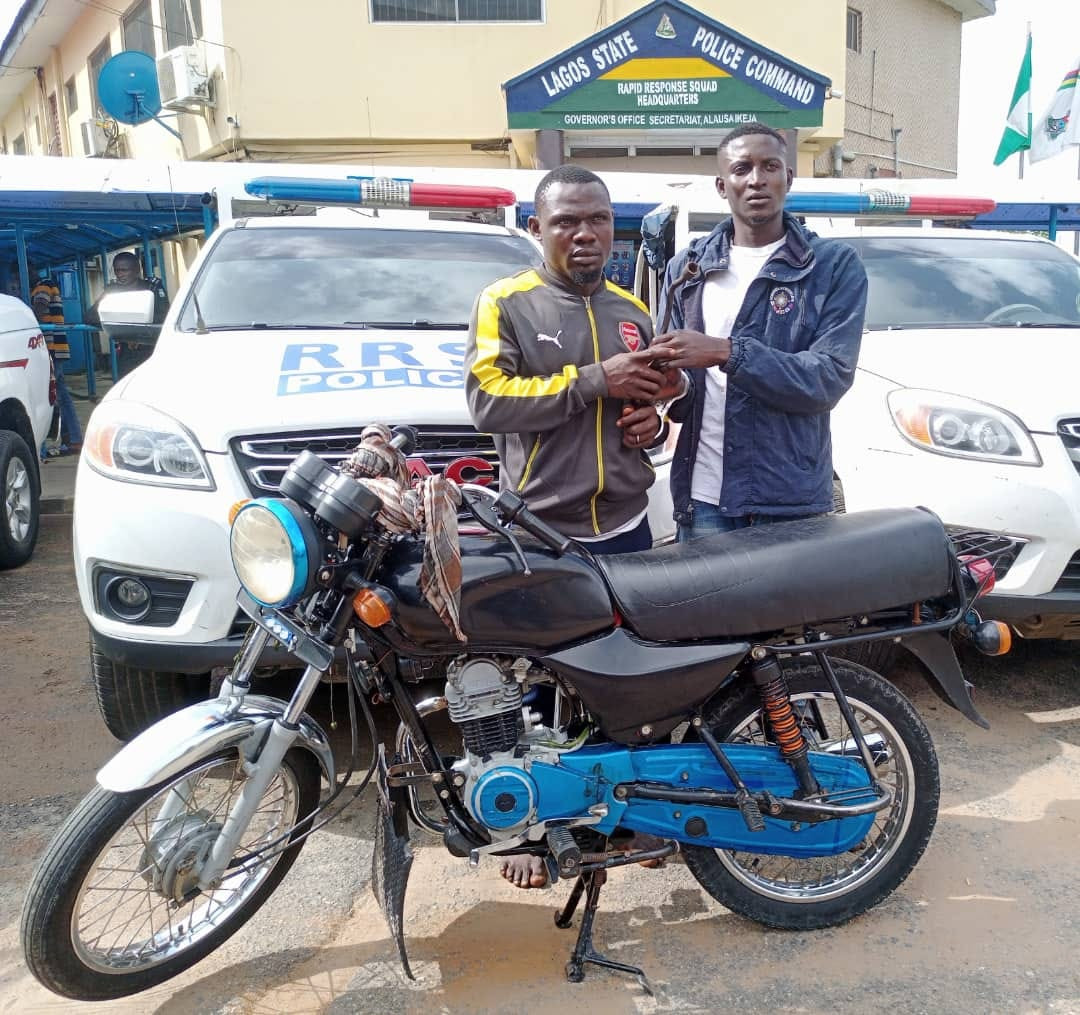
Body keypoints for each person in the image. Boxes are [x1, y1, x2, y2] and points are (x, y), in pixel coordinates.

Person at [465, 165, 684, 888]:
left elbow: (648, 407)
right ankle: (524, 832)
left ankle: (614, 815)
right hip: (536, 528)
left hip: (625, 525)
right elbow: (488, 401)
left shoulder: (633, 310)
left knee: (624, 680)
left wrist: (651, 423)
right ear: (537, 229)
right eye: (565, 221)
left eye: (597, 219)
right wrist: (596, 379)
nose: (584, 233)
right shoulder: (506, 302)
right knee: (527, 681)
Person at [651, 122, 868, 542]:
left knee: (795, 592)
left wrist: (727, 352)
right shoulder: (687, 269)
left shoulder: (831, 266)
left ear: (789, 177)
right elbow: (679, 394)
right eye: (741, 168)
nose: (756, 179)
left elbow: (827, 378)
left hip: (788, 502)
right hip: (703, 499)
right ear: (722, 185)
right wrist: (669, 387)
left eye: (770, 166)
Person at [87, 251, 169, 373]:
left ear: (137, 270)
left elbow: (164, 316)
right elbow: (90, 316)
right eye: (117, 270)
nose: (120, 274)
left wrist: (135, 332)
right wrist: (124, 331)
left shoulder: (151, 287)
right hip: (127, 351)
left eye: (124, 270)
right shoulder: (113, 291)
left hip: (152, 348)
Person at [30, 278, 83, 456]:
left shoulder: (43, 286)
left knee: (55, 397)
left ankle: (69, 440)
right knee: (62, 396)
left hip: (51, 347)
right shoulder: (48, 285)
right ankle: (72, 440)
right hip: (57, 347)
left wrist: (24, 320)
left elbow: (39, 308)